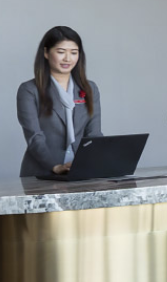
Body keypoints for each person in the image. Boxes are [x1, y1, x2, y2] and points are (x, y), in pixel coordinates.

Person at [16, 26, 102, 178]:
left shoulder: (89, 89)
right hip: (42, 174)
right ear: (46, 53)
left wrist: (102, 162)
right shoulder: (29, 90)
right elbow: (34, 137)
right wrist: (55, 167)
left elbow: (93, 134)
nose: (68, 59)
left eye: (74, 53)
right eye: (61, 52)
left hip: (82, 172)